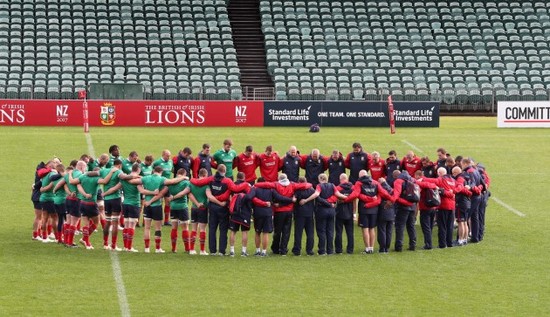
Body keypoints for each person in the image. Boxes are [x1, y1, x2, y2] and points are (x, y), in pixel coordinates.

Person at [190, 164, 249, 255]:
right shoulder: (227, 181)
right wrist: (246, 184)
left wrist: (190, 179)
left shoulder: (211, 178)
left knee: (212, 229)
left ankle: (212, 251)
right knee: (223, 229)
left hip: (212, 207)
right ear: (224, 172)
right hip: (223, 207)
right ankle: (222, 251)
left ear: (217, 170)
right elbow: (235, 188)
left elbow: (198, 183)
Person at [254, 173, 310, 255]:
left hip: (279, 211)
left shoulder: (276, 185)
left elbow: (266, 185)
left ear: (279, 179)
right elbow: (307, 185)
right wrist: (291, 200)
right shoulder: (292, 185)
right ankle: (283, 250)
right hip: (289, 211)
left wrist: (255, 184)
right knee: (286, 232)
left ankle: (275, 249)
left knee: (277, 231)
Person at [137, 166, 187, 253]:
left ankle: (146, 248)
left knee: (147, 228)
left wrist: (134, 176)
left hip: (147, 205)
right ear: (161, 172)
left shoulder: (146, 178)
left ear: (153, 171)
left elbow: (135, 182)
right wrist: (184, 177)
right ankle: (157, 248)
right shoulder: (162, 179)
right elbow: (172, 181)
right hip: (157, 206)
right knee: (158, 228)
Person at [70, 166, 117, 250]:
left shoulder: (82, 176)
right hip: (91, 204)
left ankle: (87, 243)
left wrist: (70, 174)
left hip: (82, 203)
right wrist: (111, 172)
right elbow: (105, 181)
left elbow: (74, 182)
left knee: (86, 224)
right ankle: (84, 239)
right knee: (95, 223)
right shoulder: (96, 179)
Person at [299, 173, 347, 255]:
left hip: (321, 211)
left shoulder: (319, 186)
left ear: (320, 179)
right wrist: (347, 197)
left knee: (321, 231)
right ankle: (330, 250)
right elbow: (339, 195)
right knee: (330, 231)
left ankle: (322, 250)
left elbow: (316, 194)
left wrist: (306, 200)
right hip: (331, 211)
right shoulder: (332, 185)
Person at [352, 170, 392, 254]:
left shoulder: (359, 183)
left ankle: (367, 249)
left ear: (360, 176)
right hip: (374, 209)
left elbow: (356, 194)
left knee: (365, 229)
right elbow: (383, 192)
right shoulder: (375, 183)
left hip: (364, 209)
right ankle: (372, 248)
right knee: (372, 228)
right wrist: (391, 199)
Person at [420, 167, 457, 248]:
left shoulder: (441, 179)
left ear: (439, 173)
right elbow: (454, 192)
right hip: (452, 206)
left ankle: (442, 244)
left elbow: (429, 180)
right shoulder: (453, 181)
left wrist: (421, 177)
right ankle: (449, 243)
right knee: (450, 226)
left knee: (442, 226)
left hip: (443, 206)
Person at [120, 163, 146, 252]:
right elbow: (141, 190)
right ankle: (129, 247)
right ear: (138, 169)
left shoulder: (125, 178)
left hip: (125, 203)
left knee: (126, 225)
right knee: (132, 225)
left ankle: (125, 246)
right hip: (134, 204)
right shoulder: (138, 179)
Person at [99, 159, 124, 250]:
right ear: (119, 165)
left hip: (107, 200)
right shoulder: (119, 171)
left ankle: (105, 244)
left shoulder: (104, 170)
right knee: (115, 223)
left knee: (107, 222)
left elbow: (94, 173)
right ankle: (113, 245)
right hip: (115, 199)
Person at [391, 170, 418, 252]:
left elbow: (396, 194)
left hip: (403, 207)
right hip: (412, 206)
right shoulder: (411, 179)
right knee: (411, 226)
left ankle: (398, 247)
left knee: (400, 227)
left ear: (395, 176)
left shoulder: (398, 181)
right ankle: (412, 245)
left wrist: (391, 201)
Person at [167, 168, 192, 253]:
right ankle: (187, 248)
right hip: (182, 207)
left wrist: (172, 198)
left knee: (174, 228)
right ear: (184, 174)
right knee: (185, 228)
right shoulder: (186, 182)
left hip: (173, 207)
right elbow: (183, 193)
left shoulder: (171, 183)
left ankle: (174, 248)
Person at [228, 172, 252, 256]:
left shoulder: (233, 185)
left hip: (235, 211)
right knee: (244, 232)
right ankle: (243, 251)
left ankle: (232, 251)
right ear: (244, 177)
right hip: (245, 211)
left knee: (233, 231)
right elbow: (250, 198)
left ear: (237, 177)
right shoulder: (247, 185)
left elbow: (229, 196)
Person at [38, 161, 63, 243]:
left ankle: (44, 237)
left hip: (43, 198)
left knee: (45, 218)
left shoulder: (44, 173)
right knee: (54, 218)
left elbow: (42, 184)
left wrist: (43, 189)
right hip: (50, 198)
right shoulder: (52, 173)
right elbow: (53, 182)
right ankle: (56, 237)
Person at [461, 158, 484, 243]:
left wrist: (469, 187)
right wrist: (481, 190)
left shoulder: (469, 172)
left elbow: (472, 183)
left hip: (473, 197)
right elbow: (482, 183)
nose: (461, 166)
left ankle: (463, 238)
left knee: (465, 217)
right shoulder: (475, 170)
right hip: (478, 196)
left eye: (462, 164)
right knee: (475, 217)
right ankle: (475, 237)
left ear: (466, 163)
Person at [414, 170, 438, 250]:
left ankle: (428, 244)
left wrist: (416, 182)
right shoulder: (429, 182)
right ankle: (428, 243)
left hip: (425, 208)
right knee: (430, 226)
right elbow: (434, 185)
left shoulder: (420, 183)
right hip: (433, 208)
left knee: (426, 227)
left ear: (418, 176)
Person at [188, 168, 210, 255]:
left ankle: (192, 249)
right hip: (203, 208)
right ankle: (202, 250)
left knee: (193, 229)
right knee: (202, 230)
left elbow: (189, 194)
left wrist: (196, 203)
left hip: (193, 208)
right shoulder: (206, 184)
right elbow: (209, 196)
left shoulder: (192, 183)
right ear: (205, 175)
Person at [292, 177, 316, 256]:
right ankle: (309, 250)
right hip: (309, 214)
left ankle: (297, 250)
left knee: (298, 233)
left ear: (299, 182)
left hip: (299, 214)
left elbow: (294, 200)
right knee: (310, 233)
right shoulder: (312, 190)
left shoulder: (297, 191)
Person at [334, 174, 356, 254]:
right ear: (347, 179)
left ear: (340, 180)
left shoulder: (338, 188)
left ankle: (338, 250)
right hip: (350, 213)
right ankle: (350, 250)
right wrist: (354, 213)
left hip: (339, 212)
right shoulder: (353, 188)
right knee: (350, 232)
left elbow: (336, 200)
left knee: (339, 232)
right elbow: (354, 201)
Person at [153, 149, 174, 226]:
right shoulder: (157, 162)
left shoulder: (170, 162)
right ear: (163, 155)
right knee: (159, 202)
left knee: (168, 202)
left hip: (168, 185)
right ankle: (159, 220)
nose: (169, 157)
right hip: (160, 185)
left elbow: (172, 170)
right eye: (167, 156)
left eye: (169, 155)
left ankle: (166, 220)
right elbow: (152, 171)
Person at [452, 166, 471, 247]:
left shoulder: (459, 179)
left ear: (456, 172)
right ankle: (465, 239)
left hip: (461, 203)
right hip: (467, 202)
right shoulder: (465, 177)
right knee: (465, 222)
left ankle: (460, 240)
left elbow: (459, 188)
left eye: (453, 173)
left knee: (461, 222)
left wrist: (453, 191)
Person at [377, 176, 396, 253]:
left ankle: (382, 248)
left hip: (382, 212)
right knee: (389, 231)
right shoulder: (392, 189)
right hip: (391, 213)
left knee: (382, 231)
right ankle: (387, 248)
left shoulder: (380, 190)